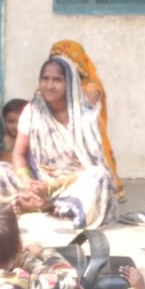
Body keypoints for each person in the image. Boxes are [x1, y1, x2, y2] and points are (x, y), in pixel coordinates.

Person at [0, 56, 117, 228]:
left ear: (69, 83)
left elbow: (91, 164)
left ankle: (50, 205)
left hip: (71, 184)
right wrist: (27, 182)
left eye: (57, 80)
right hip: (37, 180)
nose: (49, 85)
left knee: (99, 176)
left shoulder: (85, 116)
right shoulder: (32, 111)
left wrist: (51, 187)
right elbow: (19, 154)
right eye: (45, 79)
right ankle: (36, 202)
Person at [48, 40, 125, 201]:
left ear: (77, 63)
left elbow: (81, 109)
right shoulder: (50, 84)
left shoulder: (90, 86)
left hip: (84, 136)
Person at [0, 99, 27, 164]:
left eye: (20, 122)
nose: (15, 126)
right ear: (4, 120)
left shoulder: (30, 141)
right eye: (11, 121)